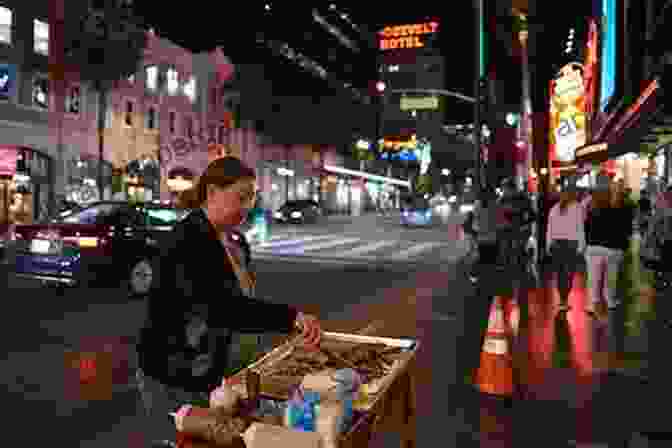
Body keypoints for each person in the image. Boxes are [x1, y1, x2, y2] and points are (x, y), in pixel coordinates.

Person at [136, 157, 322, 444]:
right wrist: (290, 318)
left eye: (252, 198)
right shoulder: (188, 239)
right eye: (241, 197)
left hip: (213, 368)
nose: (248, 206)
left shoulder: (232, 240)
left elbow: (241, 300)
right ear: (211, 193)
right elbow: (221, 308)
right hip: (176, 373)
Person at [584, 179, 635, 319]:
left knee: (593, 278)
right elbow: (627, 230)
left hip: (594, 247)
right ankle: (610, 301)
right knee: (610, 278)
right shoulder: (624, 207)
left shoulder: (593, 207)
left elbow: (586, 227)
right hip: (614, 249)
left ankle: (592, 304)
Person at [546, 185, 585, 312]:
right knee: (568, 274)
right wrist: (581, 247)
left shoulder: (554, 209)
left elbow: (549, 229)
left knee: (560, 274)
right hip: (571, 245)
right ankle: (564, 299)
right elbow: (580, 228)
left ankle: (562, 300)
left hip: (557, 245)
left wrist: (548, 245)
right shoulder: (577, 208)